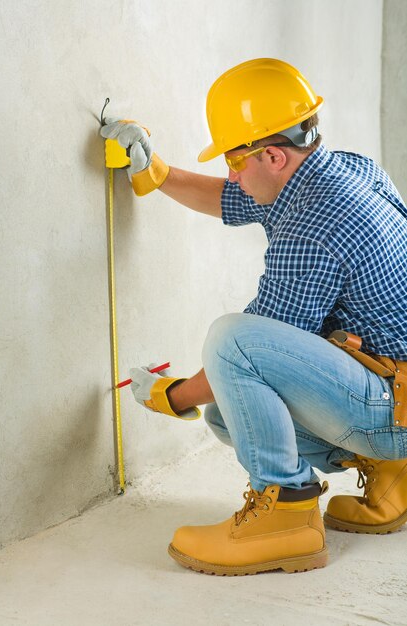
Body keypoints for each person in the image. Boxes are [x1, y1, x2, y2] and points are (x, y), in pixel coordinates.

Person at [100, 58, 407, 576]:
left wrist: (171, 397)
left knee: (232, 343)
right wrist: (157, 173)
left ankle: (284, 515)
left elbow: (249, 351)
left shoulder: (314, 228)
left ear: (272, 155)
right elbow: (234, 197)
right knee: (228, 410)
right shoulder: (342, 169)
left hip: (387, 406)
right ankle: (391, 469)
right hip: (393, 389)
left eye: (235, 160)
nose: (230, 172)